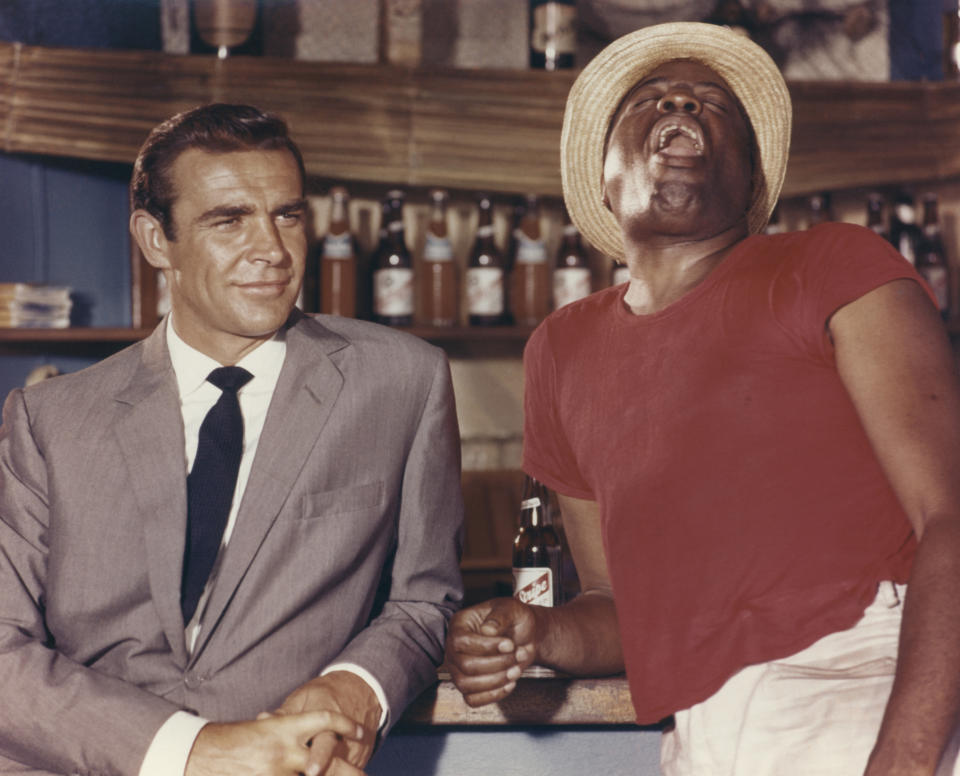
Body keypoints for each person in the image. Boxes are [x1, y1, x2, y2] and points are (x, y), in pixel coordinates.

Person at [445, 21, 960, 776]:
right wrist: (536, 631)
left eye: (712, 103)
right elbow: (616, 605)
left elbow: (951, 515)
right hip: (708, 727)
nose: (680, 101)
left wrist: (909, 757)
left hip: (865, 679)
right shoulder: (560, 350)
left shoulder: (833, 265)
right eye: (649, 99)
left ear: (753, 181)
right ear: (603, 178)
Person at [0, 103, 464, 776]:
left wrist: (356, 686)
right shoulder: (48, 419)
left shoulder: (403, 381)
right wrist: (193, 751)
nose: (272, 250)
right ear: (157, 240)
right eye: (230, 220)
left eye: (287, 214)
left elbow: (426, 601)